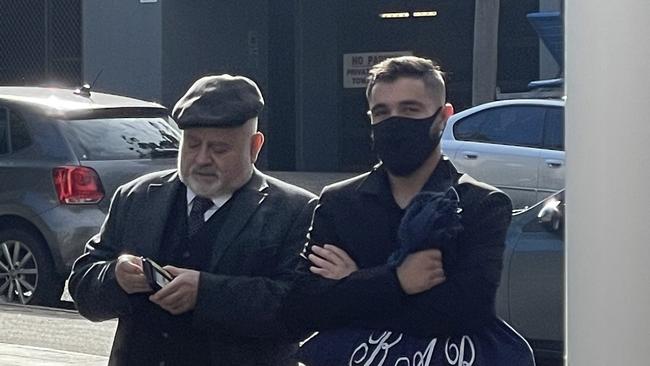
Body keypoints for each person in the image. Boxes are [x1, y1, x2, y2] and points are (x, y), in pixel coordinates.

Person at [68, 74, 317, 366]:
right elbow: (83, 289)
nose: (201, 159)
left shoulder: (297, 210)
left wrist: (206, 293)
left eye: (219, 149)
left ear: (254, 147)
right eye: (192, 144)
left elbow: (300, 311)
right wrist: (116, 277)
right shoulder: (137, 197)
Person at [285, 56, 513, 347]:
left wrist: (353, 282)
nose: (394, 122)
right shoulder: (338, 202)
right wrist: (396, 280)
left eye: (410, 109)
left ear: (443, 117)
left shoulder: (481, 205)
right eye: (382, 112)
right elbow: (301, 308)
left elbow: (464, 314)